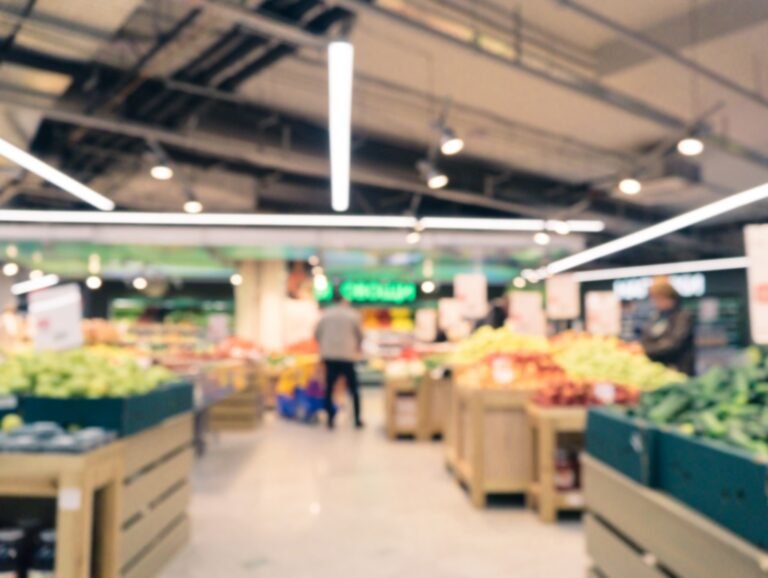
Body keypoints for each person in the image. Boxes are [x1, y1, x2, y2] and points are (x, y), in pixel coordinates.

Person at [315, 291, 364, 429]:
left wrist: (325, 346)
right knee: (353, 388)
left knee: (329, 388)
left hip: (329, 356)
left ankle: (330, 419)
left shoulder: (325, 315)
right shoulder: (353, 315)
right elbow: (360, 335)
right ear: (344, 301)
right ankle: (357, 419)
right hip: (348, 356)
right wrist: (357, 346)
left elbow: (317, 333)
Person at [641, 278, 695, 375]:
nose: (656, 302)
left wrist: (645, 349)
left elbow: (673, 343)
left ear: (670, 298)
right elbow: (647, 338)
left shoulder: (683, 317)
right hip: (658, 370)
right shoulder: (656, 317)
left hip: (678, 370)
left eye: (659, 299)